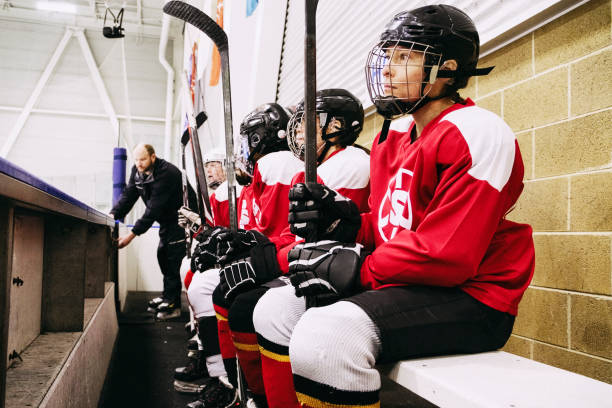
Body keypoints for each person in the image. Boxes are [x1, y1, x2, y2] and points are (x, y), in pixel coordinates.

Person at [252, 5, 535, 408]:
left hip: (475, 297)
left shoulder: (477, 132)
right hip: (412, 282)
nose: (387, 69)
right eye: (390, 56)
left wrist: (358, 267)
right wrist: (346, 225)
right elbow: (393, 229)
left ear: (447, 69)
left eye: (405, 57)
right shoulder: (395, 141)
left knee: (328, 336)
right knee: (277, 308)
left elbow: (448, 256)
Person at [221, 89, 371, 408]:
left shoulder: (350, 163)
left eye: (308, 124)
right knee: (235, 294)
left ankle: (260, 398)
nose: (299, 131)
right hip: (315, 262)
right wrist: (258, 247)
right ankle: (251, 395)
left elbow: (323, 238)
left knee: (250, 306)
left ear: (335, 127)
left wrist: (271, 258)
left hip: (339, 269)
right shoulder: (313, 168)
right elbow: (294, 234)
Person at [185, 103, 303, 408]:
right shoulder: (265, 171)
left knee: (218, 291)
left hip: (298, 261)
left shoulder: (276, 164)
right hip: (286, 255)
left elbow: (274, 231)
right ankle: (229, 381)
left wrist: (243, 244)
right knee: (210, 284)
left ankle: (235, 386)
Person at [110, 143, 196, 320]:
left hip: (182, 221)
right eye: (136, 159)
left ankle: (174, 305)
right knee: (163, 256)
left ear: (153, 157)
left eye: (142, 159)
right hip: (166, 221)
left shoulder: (167, 173)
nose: (139, 163)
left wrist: (131, 236)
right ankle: (167, 297)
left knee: (172, 259)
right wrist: (112, 214)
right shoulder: (137, 171)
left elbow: (153, 208)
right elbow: (128, 195)